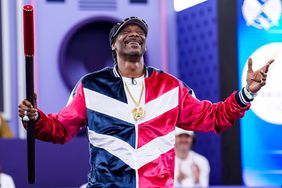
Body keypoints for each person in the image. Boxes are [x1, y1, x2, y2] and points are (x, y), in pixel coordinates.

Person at [18, 17, 274, 188]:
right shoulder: (91, 86)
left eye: (140, 33)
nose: (134, 35)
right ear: (113, 44)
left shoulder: (170, 86)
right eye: (126, 32)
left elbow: (214, 117)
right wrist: (36, 118)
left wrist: (247, 93)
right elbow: (61, 130)